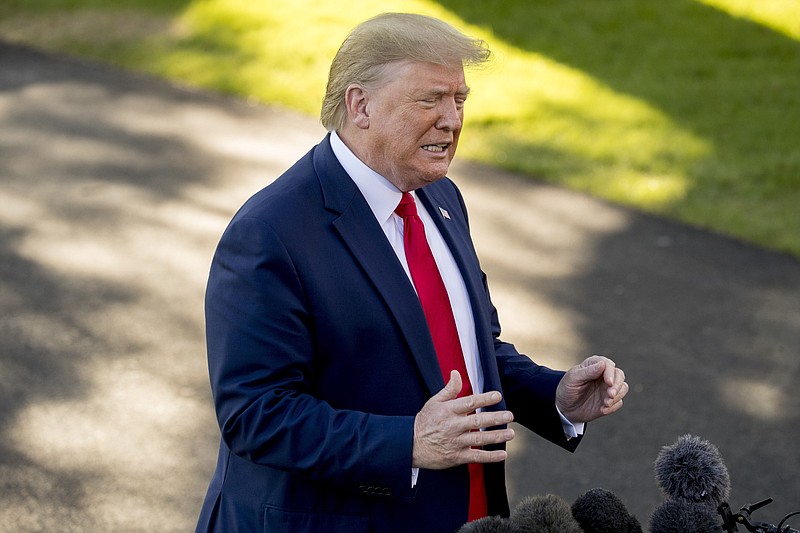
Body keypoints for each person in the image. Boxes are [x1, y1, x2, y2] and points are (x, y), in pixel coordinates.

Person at [195, 12, 628, 533]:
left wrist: (552, 395)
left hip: (469, 514)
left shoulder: (440, 197)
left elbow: (468, 351)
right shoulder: (270, 232)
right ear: (361, 106)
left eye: (459, 99)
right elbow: (255, 413)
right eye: (429, 100)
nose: (452, 120)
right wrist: (407, 444)